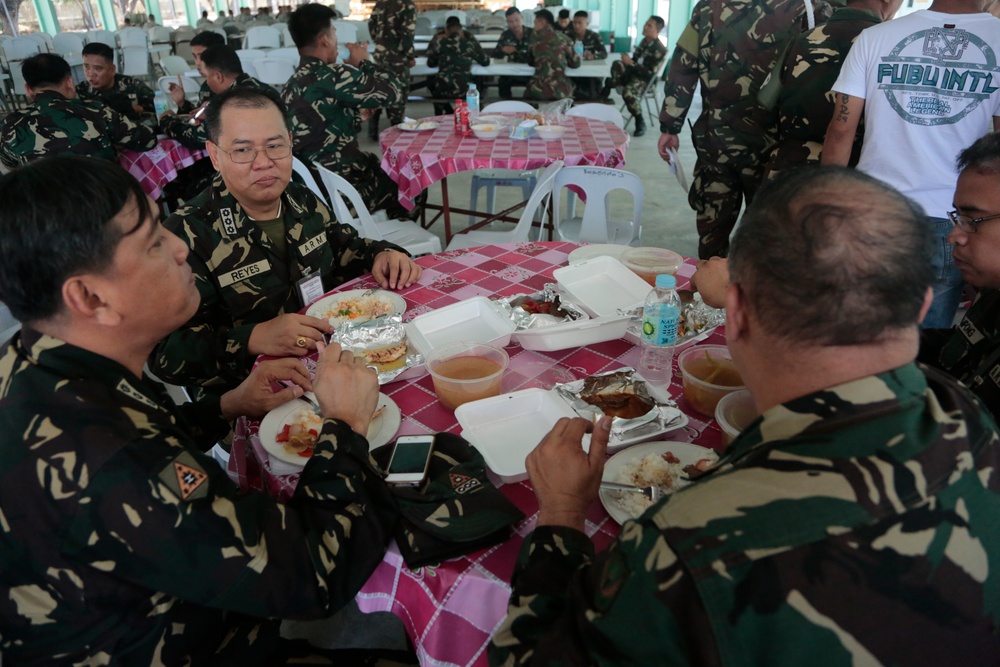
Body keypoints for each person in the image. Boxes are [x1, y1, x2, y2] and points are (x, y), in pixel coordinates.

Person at [489, 166, 1000, 666]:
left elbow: (528, 654)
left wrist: (559, 513)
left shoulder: (692, 545)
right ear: (921, 307)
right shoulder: (972, 414)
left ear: (734, 313)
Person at [0, 155, 407, 665]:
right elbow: (313, 575)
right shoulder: (111, 458)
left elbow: (154, 437)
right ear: (88, 296)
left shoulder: (39, 358)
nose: (181, 247)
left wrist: (229, 404)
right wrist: (344, 425)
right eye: (152, 242)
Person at [151, 87, 420, 391]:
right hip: (253, 393)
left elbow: (344, 247)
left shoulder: (301, 198)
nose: (263, 162)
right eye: (242, 150)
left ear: (290, 143)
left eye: (275, 146)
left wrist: (382, 254)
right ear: (215, 155)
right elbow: (163, 353)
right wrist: (253, 338)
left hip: (336, 363)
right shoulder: (186, 234)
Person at [822, 0, 1000, 329]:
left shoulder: (875, 36)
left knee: (855, 323)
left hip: (870, 208)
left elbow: (841, 130)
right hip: (951, 220)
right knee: (922, 345)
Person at [657, 0, 830, 259]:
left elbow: (683, 64)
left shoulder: (708, 7)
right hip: (774, 147)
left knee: (713, 230)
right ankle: (750, 292)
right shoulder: (808, 8)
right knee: (764, 231)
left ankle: (710, 292)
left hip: (716, 143)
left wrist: (671, 124)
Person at [282, 3, 412, 221]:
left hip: (312, 191)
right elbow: (395, 91)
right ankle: (395, 246)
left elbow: (316, 125)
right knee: (411, 183)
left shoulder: (290, 85)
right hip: (345, 190)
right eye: (334, 33)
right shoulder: (334, 75)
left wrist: (354, 116)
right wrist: (364, 62)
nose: (336, 40)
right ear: (324, 39)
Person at [762, 0, 902, 179]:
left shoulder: (800, 41)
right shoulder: (891, 49)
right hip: (854, 180)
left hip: (787, 174)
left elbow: (764, 105)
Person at [920, 133, 1000, 419]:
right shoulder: (992, 292)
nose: (955, 236)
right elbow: (961, 352)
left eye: (972, 221)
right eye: (958, 218)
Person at [0, 54, 157, 169]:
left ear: (28, 89)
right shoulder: (94, 110)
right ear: (69, 81)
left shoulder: (10, 124)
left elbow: (10, 163)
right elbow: (147, 140)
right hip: (105, 201)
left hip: (46, 210)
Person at [160, 44, 272, 149]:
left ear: (218, 77)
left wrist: (166, 120)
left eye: (207, 76)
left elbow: (197, 137)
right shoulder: (257, 87)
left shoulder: (234, 101)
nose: (207, 82)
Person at [601, 16, 667, 136]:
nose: (645, 27)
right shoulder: (644, 42)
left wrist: (631, 63)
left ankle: (639, 120)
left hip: (645, 80)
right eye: (646, 24)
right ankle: (610, 84)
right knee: (617, 64)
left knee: (628, 92)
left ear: (657, 31)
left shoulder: (659, 49)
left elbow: (649, 73)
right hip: (634, 74)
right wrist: (629, 61)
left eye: (649, 26)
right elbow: (636, 61)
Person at [367, 0, 416, 139]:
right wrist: (410, 55)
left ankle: (373, 129)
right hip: (398, 58)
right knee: (398, 92)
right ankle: (395, 131)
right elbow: (407, 33)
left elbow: (371, 25)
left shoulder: (380, 3)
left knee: (377, 90)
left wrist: (380, 42)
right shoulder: (407, 5)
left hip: (380, 56)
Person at [426, 16, 490, 115]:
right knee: (479, 83)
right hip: (465, 88)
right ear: (460, 30)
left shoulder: (439, 42)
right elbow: (485, 61)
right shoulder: (469, 43)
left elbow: (430, 63)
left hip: (443, 89)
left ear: (446, 30)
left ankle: (443, 115)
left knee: (431, 82)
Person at [75, 41, 155, 120]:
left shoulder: (132, 85)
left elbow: (158, 109)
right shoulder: (81, 91)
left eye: (97, 68)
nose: (91, 74)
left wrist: (136, 109)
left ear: (112, 70)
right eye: (86, 67)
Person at [524, 9, 579, 100]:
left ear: (542, 22)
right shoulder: (565, 39)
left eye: (535, 23)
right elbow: (575, 63)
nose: (533, 26)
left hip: (538, 90)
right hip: (562, 90)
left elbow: (530, 62)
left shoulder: (534, 40)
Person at [167, 30, 227, 114]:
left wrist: (210, 116)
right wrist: (182, 103)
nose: (197, 63)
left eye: (202, 56)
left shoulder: (234, 85)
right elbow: (199, 113)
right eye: (195, 57)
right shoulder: (206, 85)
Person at [492, 7, 533, 98]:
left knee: (535, 86)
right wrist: (503, 50)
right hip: (512, 70)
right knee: (503, 81)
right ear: (507, 22)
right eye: (510, 22)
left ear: (522, 18)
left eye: (517, 20)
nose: (514, 24)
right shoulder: (506, 35)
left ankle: (530, 105)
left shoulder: (532, 33)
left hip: (530, 71)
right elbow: (495, 54)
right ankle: (506, 104)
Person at [568, 10, 606, 101]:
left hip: (589, 71)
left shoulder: (594, 36)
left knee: (592, 86)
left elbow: (603, 53)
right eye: (574, 22)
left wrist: (593, 56)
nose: (576, 26)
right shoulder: (568, 35)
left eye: (579, 23)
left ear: (586, 24)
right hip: (572, 69)